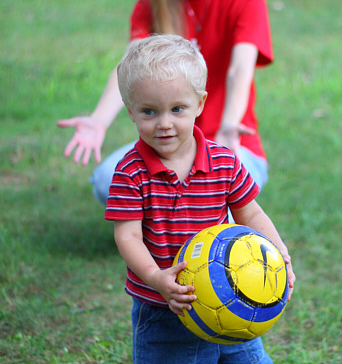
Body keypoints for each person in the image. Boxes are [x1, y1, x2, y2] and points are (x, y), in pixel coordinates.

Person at [57, 0, 274, 205]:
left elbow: (240, 69)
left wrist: (228, 128)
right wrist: (99, 121)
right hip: (166, 143)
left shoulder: (246, 0)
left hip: (229, 141)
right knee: (107, 182)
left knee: (211, 208)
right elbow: (128, 68)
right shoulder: (151, 6)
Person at [105, 34, 295, 364]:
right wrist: (156, 278)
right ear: (131, 112)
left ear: (200, 104)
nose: (164, 124)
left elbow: (249, 214)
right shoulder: (130, 172)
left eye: (177, 109)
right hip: (166, 307)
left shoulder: (223, 161)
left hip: (234, 298)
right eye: (149, 111)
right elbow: (128, 235)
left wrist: (277, 252)